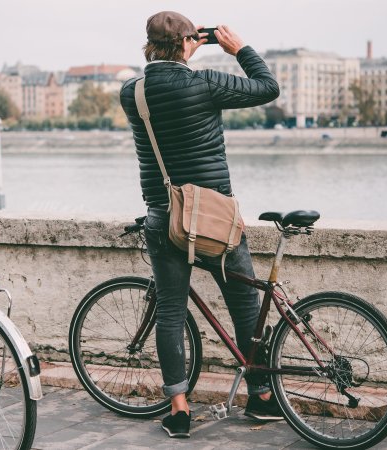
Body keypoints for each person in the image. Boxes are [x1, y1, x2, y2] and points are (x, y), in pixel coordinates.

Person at [119, 11, 281, 438]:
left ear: (148, 44)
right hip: (216, 219)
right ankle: (261, 397)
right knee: (245, 307)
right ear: (189, 42)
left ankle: (179, 409)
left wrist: (185, 49)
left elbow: (165, 88)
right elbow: (268, 88)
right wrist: (238, 49)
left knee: (170, 313)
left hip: (164, 216)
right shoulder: (205, 82)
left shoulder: (130, 93)